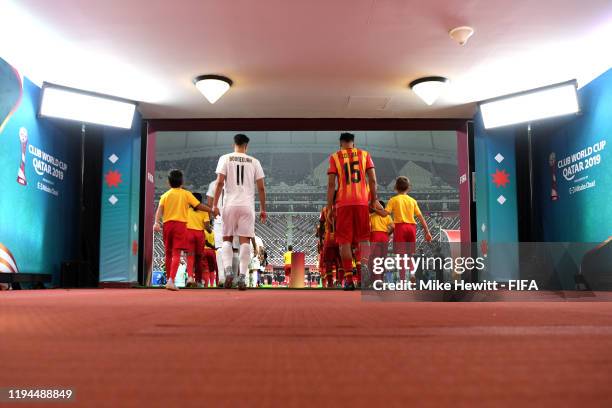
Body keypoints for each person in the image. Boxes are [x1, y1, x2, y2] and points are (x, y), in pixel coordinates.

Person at [212, 134, 267, 291]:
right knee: (245, 242)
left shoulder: (225, 158)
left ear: (233, 144)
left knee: (227, 240)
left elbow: (220, 182)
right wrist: (263, 209)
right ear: (246, 146)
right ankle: (242, 277)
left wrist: (215, 205)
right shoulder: (254, 161)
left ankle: (228, 271)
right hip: (247, 206)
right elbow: (261, 188)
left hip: (229, 205)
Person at [326, 132, 378, 290]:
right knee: (364, 241)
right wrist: (374, 199)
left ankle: (349, 280)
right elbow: (373, 180)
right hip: (362, 202)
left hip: (343, 204)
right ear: (353, 143)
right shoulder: (365, 154)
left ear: (340, 143)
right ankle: (364, 278)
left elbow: (331, 185)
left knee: (344, 242)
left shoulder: (335, 156)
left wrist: (329, 207)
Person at [154, 170, 211, 291]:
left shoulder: (165, 195)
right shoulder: (186, 194)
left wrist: (156, 222)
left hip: (167, 225)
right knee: (176, 253)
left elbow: (159, 210)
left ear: (168, 182)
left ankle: (169, 279)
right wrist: (211, 210)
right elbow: (198, 206)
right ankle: (171, 280)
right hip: (180, 225)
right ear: (182, 181)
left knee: (168, 253)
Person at [373, 176, 432, 281]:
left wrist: (373, 208)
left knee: (401, 257)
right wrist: (427, 231)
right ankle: (413, 273)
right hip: (411, 228)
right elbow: (420, 217)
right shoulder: (412, 201)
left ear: (396, 187)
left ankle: (403, 280)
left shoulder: (393, 200)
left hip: (400, 228)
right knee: (410, 254)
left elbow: (384, 214)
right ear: (408, 187)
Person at [185, 192, 208, 287]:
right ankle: (199, 280)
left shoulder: (186, 210)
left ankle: (190, 277)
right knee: (199, 258)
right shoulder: (204, 211)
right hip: (200, 235)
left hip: (189, 233)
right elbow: (207, 226)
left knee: (190, 257)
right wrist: (209, 229)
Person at [369, 199, 394, 282]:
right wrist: (388, 234)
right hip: (384, 237)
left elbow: (368, 229)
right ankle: (381, 279)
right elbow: (393, 227)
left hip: (374, 236)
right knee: (383, 259)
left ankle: (376, 279)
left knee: (375, 259)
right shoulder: (387, 216)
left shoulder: (371, 216)